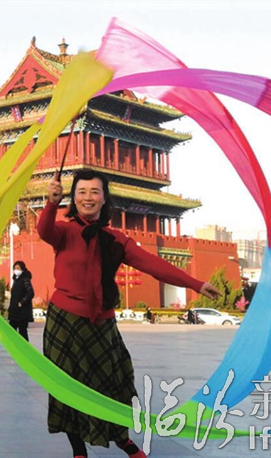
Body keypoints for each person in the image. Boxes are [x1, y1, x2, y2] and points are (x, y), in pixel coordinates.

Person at [37, 169, 222, 458]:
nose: (88, 197)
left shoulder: (117, 240)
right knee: (68, 387)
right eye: (81, 192)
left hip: (102, 323)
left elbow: (154, 264)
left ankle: (123, 439)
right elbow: (44, 230)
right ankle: (78, 451)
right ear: (73, 198)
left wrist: (195, 283)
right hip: (65, 322)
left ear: (104, 198)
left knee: (114, 384)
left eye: (94, 192)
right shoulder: (64, 231)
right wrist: (50, 204)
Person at [8, 260, 34, 341]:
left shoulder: (25, 279)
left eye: (18, 268)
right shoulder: (16, 280)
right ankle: (15, 346)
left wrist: (22, 302)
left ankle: (25, 347)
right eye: (15, 268)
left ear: (22, 269)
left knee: (22, 332)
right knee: (11, 331)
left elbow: (31, 293)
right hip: (14, 312)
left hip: (22, 312)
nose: (16, 270)